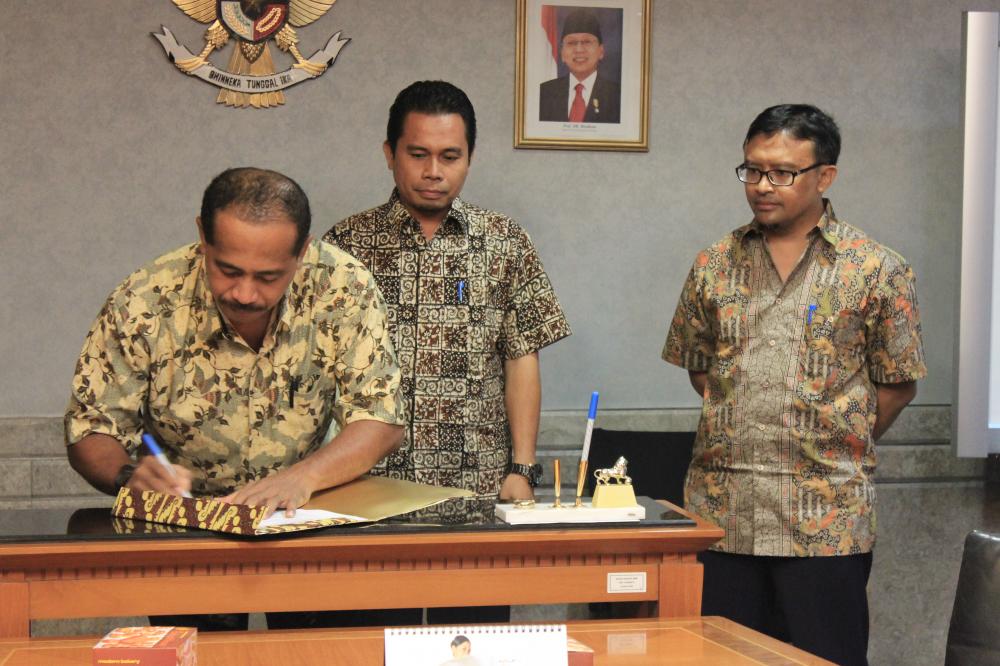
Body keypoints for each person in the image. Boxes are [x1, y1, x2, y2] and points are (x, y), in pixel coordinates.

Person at [65, 166, 406, 630]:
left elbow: (381, 418)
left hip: (307, 520)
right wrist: (130, 476)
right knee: (202, 655)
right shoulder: (144, 300)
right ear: (202, 236)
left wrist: (301, 478)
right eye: (228, 271)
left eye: (268, 277)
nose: (245, 293)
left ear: (302, 251)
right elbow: (90, 428)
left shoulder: (344, 287)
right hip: (190, 531)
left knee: (315, 654)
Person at [662, 104, 925, 665]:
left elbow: (897, 383)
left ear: (824, 176)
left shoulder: (876, 269)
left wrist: (831, 437)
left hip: (827, 523)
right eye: (752, 170)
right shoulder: (714, 264)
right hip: (724, 519)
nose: (762, 185)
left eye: (782, 172)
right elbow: (700, 366)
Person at [324, 80, 571, 624]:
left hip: (475, 490)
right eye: (418, 154)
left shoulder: (505, 242)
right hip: (369, 492)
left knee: (469, 645)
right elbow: (319, 370)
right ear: (390, 154)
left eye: (449, 156)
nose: (433, 171)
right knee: (371, 645)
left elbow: (521, 358)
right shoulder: (345, 246)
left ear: (470, 158)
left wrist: (522, 468)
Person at [538, 8, 621, 124]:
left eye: (587, 42)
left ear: (601, 51)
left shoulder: (618, 96)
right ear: (562, 53)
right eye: (571, 43)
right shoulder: (543, 93)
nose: (579, 49)